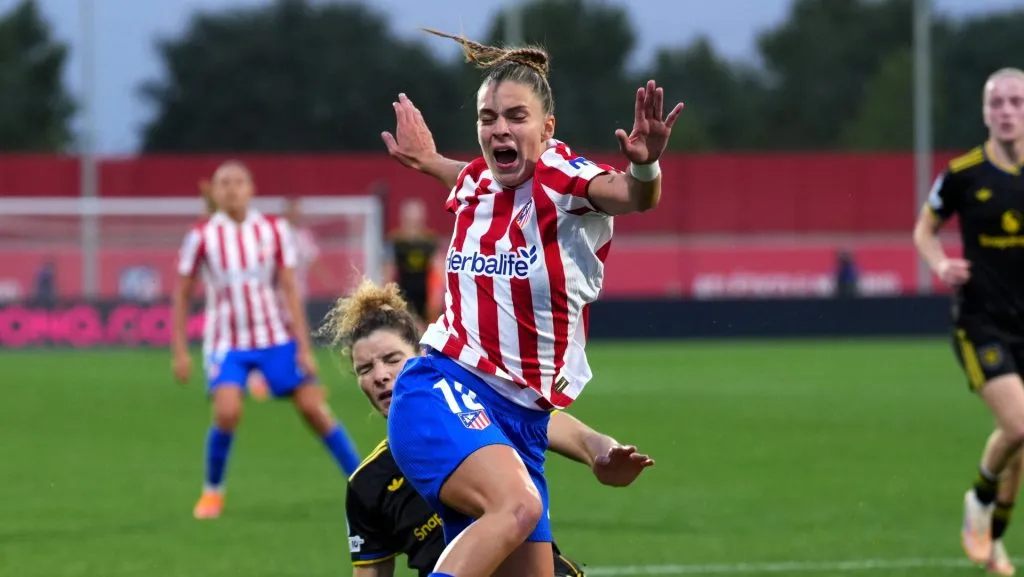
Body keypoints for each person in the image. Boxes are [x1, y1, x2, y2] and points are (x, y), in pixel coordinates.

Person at [379, 29, 683, 577]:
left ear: (547, 129)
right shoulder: (479, 182)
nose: (498, 129)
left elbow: (631, 196)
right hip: (440, 388)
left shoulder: (560, 178)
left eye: (515, 117)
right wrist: (427, 160)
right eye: (487, 118)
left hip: (521, 422)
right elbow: (465, 174)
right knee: (517, 506)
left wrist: (645, 167)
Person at [321, 280, 654, 577]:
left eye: (392, 359)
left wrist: (605, 453)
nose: (379, 375)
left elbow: (583, 439)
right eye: (365, 368)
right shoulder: (368, 483)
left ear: (423, 356)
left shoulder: (483, 410)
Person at [172, 161, 362, 519]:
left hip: (274, 336)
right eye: (223, 182)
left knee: (312, 408)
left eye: (238, 181)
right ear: (214, 191)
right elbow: (183, 292)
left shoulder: (273, 230)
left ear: (251, 189)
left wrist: (304, 347)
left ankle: (362, 480)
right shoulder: (201, 235)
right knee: (227, 412)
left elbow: (290, 288)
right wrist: (180, 350)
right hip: (226, 343)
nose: (231, 188)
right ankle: (212, 492)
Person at [913, 67, 1024, 576]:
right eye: (997, 103)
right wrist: (938, 264)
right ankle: (979, 502)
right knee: (1020, 425)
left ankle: (995, 540)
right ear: (984, 113)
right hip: (981, 320)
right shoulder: (963, 173)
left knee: (1018, 444)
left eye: (1016, 102)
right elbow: (925, 229)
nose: (1006, 111)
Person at [200, 179, 270, 401]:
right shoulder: (210, 236)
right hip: (221, 318)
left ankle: (253, 379)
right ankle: (223, 382)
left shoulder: (250, 234)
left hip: (250, 317)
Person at [386, 198, 439, 326]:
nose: (413, 225)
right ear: (403, 219)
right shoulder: (396, 240)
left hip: (425, 293)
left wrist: (435, 299)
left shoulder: (429, 240)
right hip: (403, 292)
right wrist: (388, 297)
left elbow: (438, 270)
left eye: (416, 221)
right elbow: (388, 272)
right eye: (410, 221)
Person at [283, 197, 334, 299]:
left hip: (299, 292)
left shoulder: (303, 236)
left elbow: (313, 261)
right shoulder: (275, 232)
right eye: (293, 209)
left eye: (298, 211)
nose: (296, 214)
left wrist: (329, 283)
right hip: (278, 293)